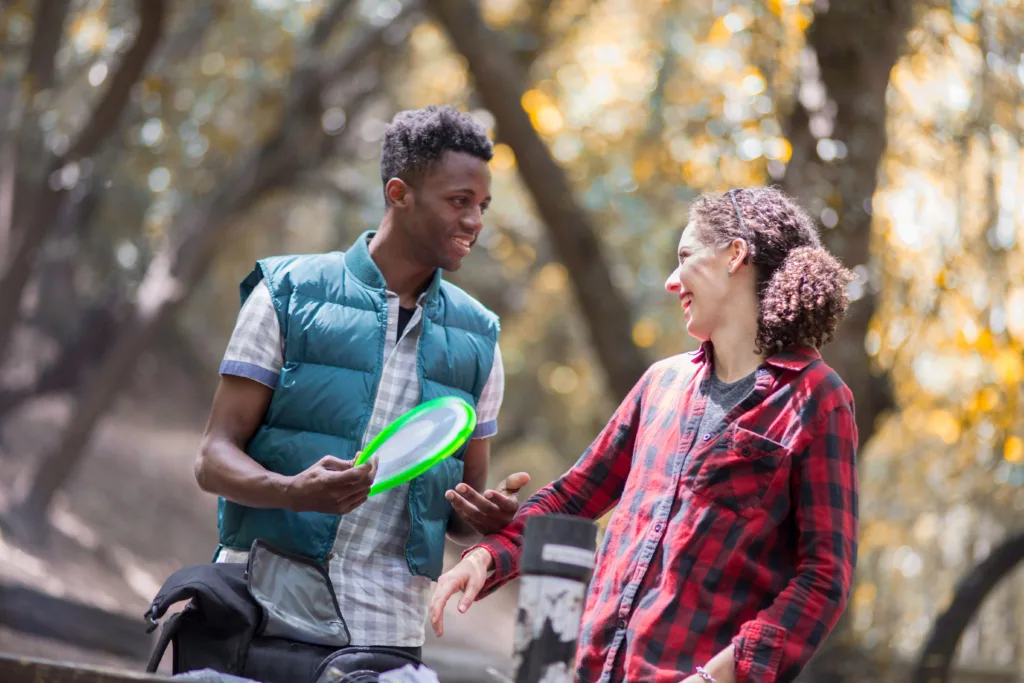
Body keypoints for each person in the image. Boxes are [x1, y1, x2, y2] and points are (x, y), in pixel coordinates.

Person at [430, 187, 859, 683]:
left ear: (735, 254)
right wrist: (485, 557)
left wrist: (721, 676)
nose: (671, 282)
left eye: (685, 257)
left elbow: (824, 577)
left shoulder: (818, 398)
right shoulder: (661, 383)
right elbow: (573, 497)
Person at [193, 104, 529, 659]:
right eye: (458, 201)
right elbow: (211, 458)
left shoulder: (481, 340)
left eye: (482, 206)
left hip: (386, 636)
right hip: (257, 614)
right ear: (399, 193)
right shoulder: (287, 293)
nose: (474, 221)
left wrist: (482, 520)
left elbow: (456, 515)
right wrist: (289, 491)